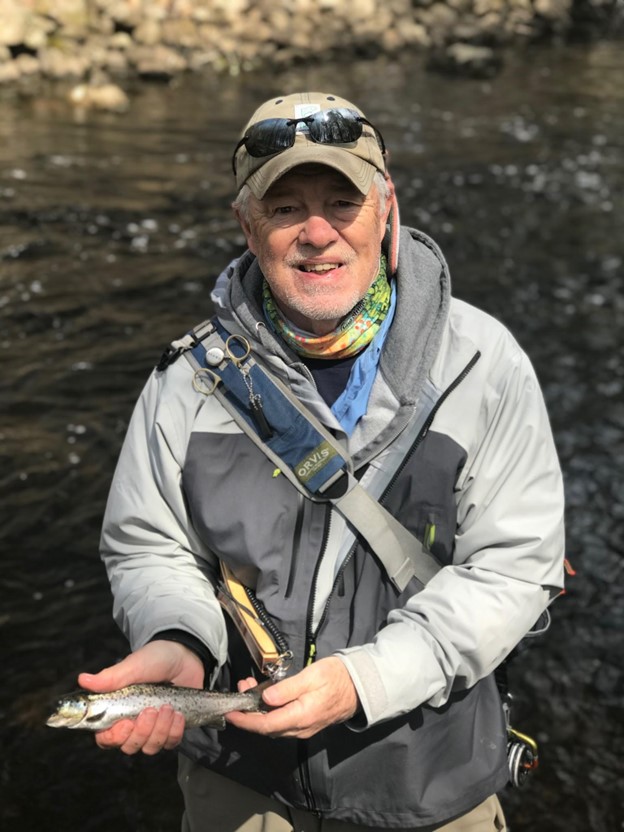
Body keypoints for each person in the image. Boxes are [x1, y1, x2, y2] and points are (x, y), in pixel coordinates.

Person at [79, 91, 566, 831]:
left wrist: (365, 679)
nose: (317, 234)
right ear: (246, 225)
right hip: (242, 785)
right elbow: (150, 545)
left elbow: (515, 566)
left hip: (431, 786)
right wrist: (177, 637)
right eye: (284, 208)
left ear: (386, 210)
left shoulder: (483, 364)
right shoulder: (187, 381)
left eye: (342, 201)